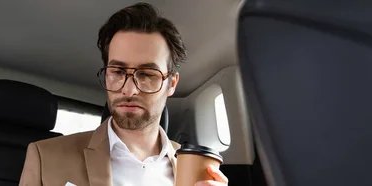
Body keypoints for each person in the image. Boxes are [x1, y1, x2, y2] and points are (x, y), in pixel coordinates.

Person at [19, 2, 229, 186]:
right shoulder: (45, 157)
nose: (129, 89)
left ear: (171, 83)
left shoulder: (195, 169)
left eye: (147, 74)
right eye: (118, 72)